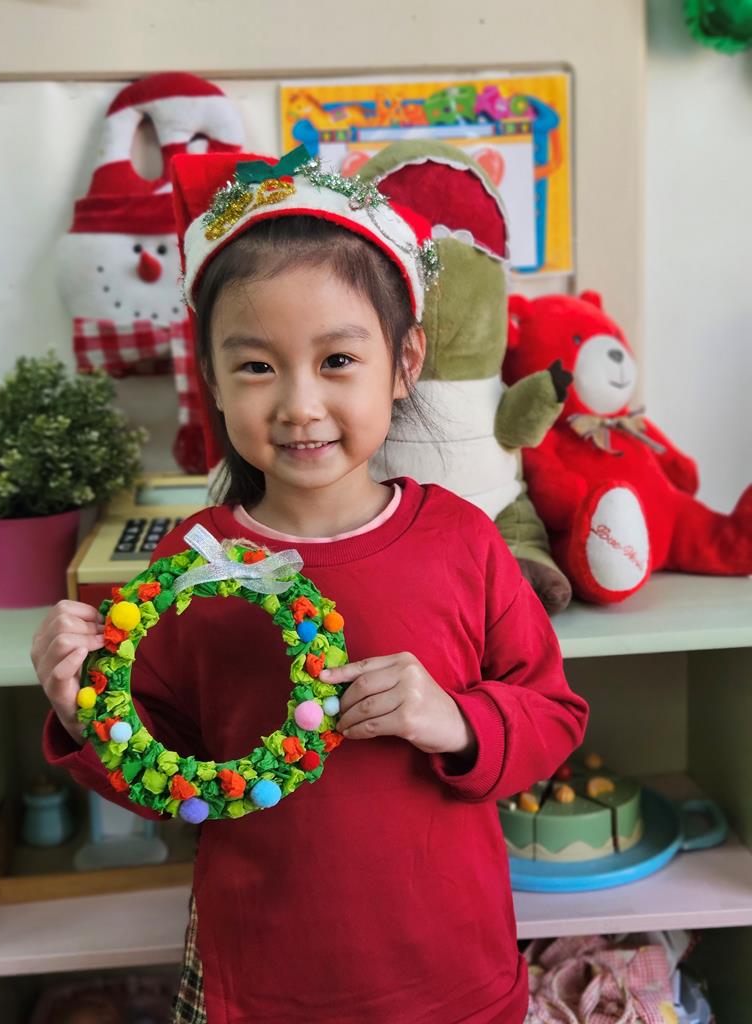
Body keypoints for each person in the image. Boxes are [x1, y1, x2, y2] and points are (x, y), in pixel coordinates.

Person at [32, 147, 588, 1024]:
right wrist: (82, 713)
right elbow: (160, 771)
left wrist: (455, 719)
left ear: (404, 361)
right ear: (213, 380)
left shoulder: (461, 541)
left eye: (337, 360)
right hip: (259, 985)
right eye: (257, 366)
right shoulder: (194, 560)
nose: (298, 405)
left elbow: (554, 717)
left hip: (451, 977)